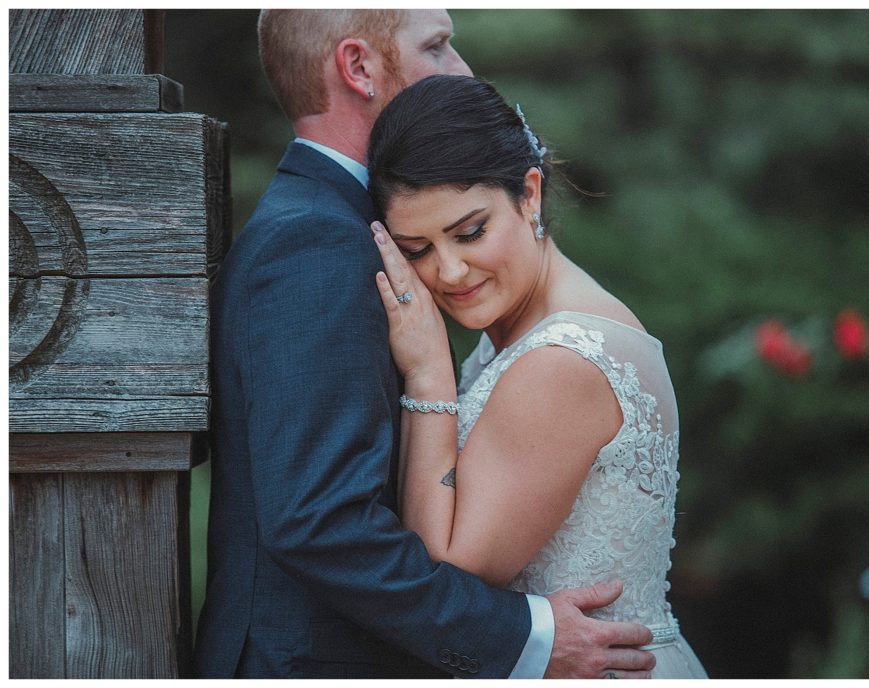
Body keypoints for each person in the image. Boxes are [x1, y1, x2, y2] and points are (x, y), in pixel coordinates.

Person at [194, 9, 656, 679]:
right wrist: (520, 638)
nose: (463, 69)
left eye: (468, 233)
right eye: (437, 46)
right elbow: (319, 520)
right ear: (358, 67)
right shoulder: (317, 244)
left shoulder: (345, 225)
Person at [366, 74, 709, 679]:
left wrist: (428, 377)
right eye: (416, 249)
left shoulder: (561, 360)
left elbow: (446, 569)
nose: (449, 271)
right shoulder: (522, 333)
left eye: (470, 232)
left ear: (529, 194)